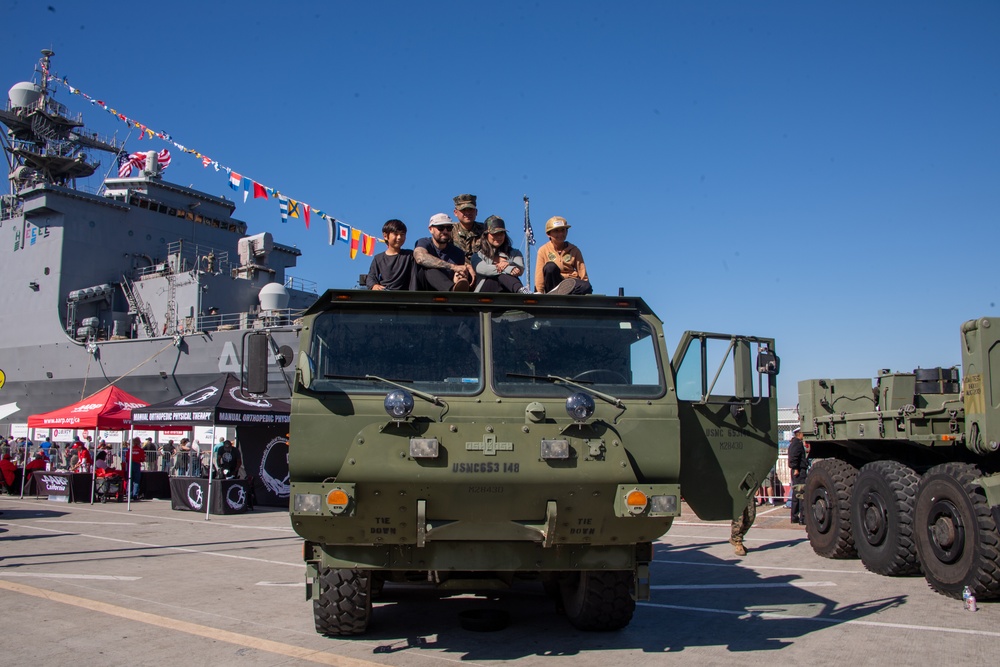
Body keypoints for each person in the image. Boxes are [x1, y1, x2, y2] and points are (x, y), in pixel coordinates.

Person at [413, 213, 474, 292]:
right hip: (425, 288)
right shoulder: (424, 243)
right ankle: (451, 290)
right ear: (430, 229)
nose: (445, 231)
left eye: (449, 228)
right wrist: (452, 267)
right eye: (440, 228)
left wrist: (459, 277)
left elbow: (457, 274)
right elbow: (420, 258)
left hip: (446, 291)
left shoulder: (458, 252)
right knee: (429, 266)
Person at [470, 216, 531, 293]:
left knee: (503, 276)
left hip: (508, 290)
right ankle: (520, 290)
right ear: (486, 235)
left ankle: (523, 292)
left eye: (501, 233)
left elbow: (520, 268)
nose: (498, 237)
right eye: (494, 234)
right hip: (486, 290)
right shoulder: (477, 256)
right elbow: (483, 269)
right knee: (499, 275)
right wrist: (508, 268)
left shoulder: (515, 253)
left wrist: (508, 263)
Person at [533, 216, 593, 295]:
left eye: (563, 230)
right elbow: (539, 275)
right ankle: (554, 293)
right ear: (548, 234)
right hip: (554, 284)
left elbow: (582, 272)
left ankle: (565, 294)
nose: (560, 234)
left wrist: (586, 288)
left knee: (587, 286)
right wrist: (539, 292)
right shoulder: (543, 250)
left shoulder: (574, 250)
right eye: (556, 231)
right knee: (550, 267)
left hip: (571, 283)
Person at [365, 219, 417, 290]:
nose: (399, 237)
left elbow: (414, 278)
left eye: (402, 234)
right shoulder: (378, 258)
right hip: (385, 295)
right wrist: (374, 285)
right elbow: (371, 276)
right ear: (385, 236)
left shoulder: (409, 255)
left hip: (405, 296)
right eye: (396, 234)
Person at [788, 426, 807, 525]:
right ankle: (802, 518)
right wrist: (795, 468)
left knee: (796, 494)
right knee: (801, 493)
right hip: (799, 471)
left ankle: (795, 517)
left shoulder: (794, 443)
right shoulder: (797, 444)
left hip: (797, 470)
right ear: (799, 434)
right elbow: (794, 457)